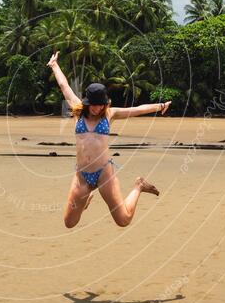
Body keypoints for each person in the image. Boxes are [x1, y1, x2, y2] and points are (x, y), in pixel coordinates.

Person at [47, 51, 171, 228]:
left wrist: (160, 106)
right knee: (69, 223)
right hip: (82, 175)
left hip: (104, 173)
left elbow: (136, 109)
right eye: (93, 105)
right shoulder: (78, 111)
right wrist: (54, 65)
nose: (97, 109)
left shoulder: (109, 114)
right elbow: (64, 85)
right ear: (87, 103)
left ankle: (139, 186)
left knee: (123, 220)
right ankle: (86, 199)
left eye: (101, 105)